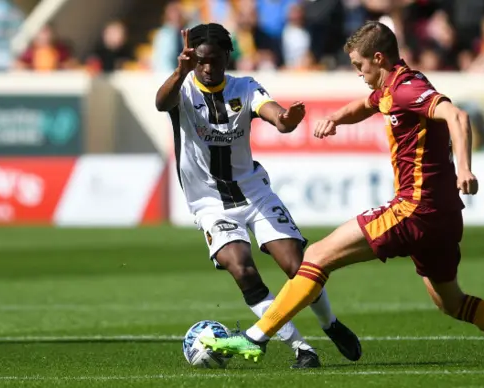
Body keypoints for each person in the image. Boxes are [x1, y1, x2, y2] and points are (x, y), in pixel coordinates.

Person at [201, 21, 484, 366]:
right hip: (444, 217)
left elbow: (458, 117)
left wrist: (465, 167)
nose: (359, 74)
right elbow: (368, 103)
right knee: (452, 302)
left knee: (317, 255)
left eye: (360, 66)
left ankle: (255, 337)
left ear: (379, 59)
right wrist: (337, 119)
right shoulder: (393, 88)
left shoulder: (408, 89)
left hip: (415, 207)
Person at [154, 23, 361, 369]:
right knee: (243, 270)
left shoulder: (244, 88)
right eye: (201, 61)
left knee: (297, 265)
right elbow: (161, 104)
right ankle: (301, 349)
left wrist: (287, 120)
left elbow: (276, 115)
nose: (207, 68)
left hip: (253, 192)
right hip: (209, 203)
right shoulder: (183, 88)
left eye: (215, 60)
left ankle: (331, 324)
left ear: (226, 57)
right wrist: (180, 70)